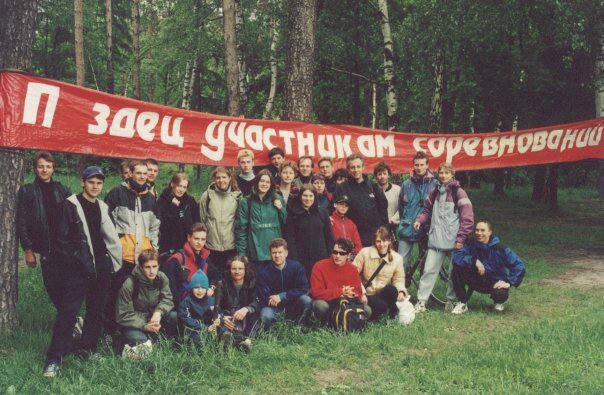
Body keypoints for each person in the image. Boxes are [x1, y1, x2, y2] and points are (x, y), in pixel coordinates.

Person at [42, 166, 122, 378]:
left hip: (101, 268)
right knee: (68, 314)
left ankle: (88, 349)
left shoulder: (103, 206)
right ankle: (54, 358)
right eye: (91, 182)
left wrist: (111, 263)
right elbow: (62, 241)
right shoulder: (69, 205)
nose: (95, 186)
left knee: (96, 312)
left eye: (99, 183)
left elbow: (109, 237)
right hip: (78, 270)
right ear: (82, 182)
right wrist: (79, 263)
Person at [104, 159, 160, 333]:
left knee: (136, 297)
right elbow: (106, 224)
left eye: (145, 173)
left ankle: (131, 332)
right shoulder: (116, 194)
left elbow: (154, 227)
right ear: (131, 173)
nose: (143, 176)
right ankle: (110, 331)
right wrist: (111, 250)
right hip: (121, 257)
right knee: (114, 295)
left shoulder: (151, 198)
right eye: (139, 173)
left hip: (142, 259)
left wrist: (154, 250)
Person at [412, 162, 474, 313]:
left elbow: (468, 218)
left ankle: (450, 301)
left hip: (454, 242)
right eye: (441, 173)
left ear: (452, 174)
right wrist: (420, 220)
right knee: (428, 270)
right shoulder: (435, 191)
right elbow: (426, 209)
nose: (443, 175)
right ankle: (421, 302)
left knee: (454, 273)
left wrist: (460, 239)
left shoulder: (459, 193)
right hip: (435, 240)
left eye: (446, 173)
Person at [17, 151, 71, 310]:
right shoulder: (27, 191)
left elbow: (73, 219)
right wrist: (27, 249)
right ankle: (69, 319)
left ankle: (70, 320)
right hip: (45, 248)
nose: (44, 170)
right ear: (35, 169)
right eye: (41, 166)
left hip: (65, 247)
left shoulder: (62, 190)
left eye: (48, 166)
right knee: (52, 286)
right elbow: (21, 222)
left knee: (68, 286)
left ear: (53, 168)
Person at [450, 220, 526, 314]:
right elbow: (457, 256)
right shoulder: (470, 243)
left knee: (500, 293)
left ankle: (498, 302)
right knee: (457, 269)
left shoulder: (501, 248)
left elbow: (519, 266)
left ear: (490, 232)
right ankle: (462, 303)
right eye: (477, 230)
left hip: (493, 283)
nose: (479, 233)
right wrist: (474, 261)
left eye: (482, 230)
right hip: (475, 279)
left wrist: (509, 282)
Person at [116, 249, 177, 353]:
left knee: (174, 316)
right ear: (141, 267)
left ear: (158, 266)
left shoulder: (161, 278)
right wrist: (145, 326)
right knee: (143, 343)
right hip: (134, 323)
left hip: (154, 319)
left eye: (154, 266)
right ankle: (127, 342)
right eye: (147, 267)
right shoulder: (130, 284)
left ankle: (164, 342)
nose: (152, 271)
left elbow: (167, 299)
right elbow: (123, 315)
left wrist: (158, 312)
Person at [310, 238, 371, 323]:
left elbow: (358, 293)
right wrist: (341, 291)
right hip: (327, 302)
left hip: (345, 303)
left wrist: (350, 294)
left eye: (342, 253)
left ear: (348, 255)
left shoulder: (353, 269)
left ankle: (345, 324)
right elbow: (316, 292)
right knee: (320, 306)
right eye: (335, 252)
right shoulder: (319, 266)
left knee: (367, 310)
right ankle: (325, 324)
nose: (337, 256)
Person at [353, 227, 407, 320]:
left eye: (384, 240)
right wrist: (362, 292)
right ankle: (386, 310)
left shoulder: (397, 258)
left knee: (392, 290)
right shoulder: (365, 252)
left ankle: (388, 310)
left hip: (382, 292)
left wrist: (401, 291)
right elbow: (353, 273)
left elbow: (398, 279)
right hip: (367, 294)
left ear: (389, 241)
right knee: (381, 306)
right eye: (378, 241)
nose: (382, 244)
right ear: (374, 242)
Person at [335, 153, 389, 247]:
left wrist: (383, 230)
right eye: (352, 167)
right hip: (352, 235)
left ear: (363, 167)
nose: (356, 170)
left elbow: (383, 209)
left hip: (373, 235)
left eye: (358, 166)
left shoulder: (373, 186)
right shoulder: (342, 188)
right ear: (348, 169)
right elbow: (336, 211)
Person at [256, 238, 311, 330]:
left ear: (286, 253)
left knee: (306, 299)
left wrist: (282, 296)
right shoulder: (264, 272)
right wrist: (273, 299)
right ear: (270, 254)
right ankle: (274, 333)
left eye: (280, 252)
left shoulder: (296, 267)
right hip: (274, 307)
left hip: (293, 304)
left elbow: (304, 288)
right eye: (274, 253)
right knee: (265, 314)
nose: (277, 255)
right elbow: (263, 295)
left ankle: (302, 326)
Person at [235, 169, 287, 266]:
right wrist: (242, 253)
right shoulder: (246, 201)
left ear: (271, 184)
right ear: (257, 182)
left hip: (275, 252)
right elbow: (241, 229)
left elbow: (286, 222)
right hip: (255, 253)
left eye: (267, 182)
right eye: (262, 181)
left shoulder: (277, 199)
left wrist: (281, 209)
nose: (264, 184)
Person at [162, 223, 219, 307]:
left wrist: (211, 287)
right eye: (196, 239)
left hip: (202, 303)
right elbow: (170, 288)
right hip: (182, 305)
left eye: (203, 239)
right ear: (189, 238)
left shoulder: (205, 257)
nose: (199, 242)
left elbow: (217, 276)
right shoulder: (177, 259)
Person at [397, 151, 437, 268]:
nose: (419, 168)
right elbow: (401, 207)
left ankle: (421, 286)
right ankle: (400, 285)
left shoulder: (435, 184)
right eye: (416, 165)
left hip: (427, 229)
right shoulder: (406, 184)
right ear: (413, 166)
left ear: (427, 165)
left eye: (422, 164)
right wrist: (404, 220)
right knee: (400, 263)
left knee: (425, 264)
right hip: (407, 227)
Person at [283, 185, 334, 276]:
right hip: (301, 258)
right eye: (305, 196)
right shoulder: (293, 214)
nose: (308, 199)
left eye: (311, 196)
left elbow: (329, 237)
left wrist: (329, 256)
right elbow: (290, 239)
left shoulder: (322, 213)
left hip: (321, 257)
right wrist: (295, 259)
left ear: (315, 197)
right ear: (300, 197)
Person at [199, 166, 242, 272]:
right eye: (218, 178)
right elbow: (202, 220)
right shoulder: (207, 196)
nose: (221, 180)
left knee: (228, 276)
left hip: (230, 246)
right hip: (211, 246)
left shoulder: (237, 196)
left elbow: (240, 221)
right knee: (213, 277)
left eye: (224, 177)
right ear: (214, 179)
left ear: (229, 178)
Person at [214, 255, 259, 351]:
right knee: (221, 324)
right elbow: (216, 305)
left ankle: (247, 341)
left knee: (255, 317)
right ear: (229, 270)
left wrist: (246, 309)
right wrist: (222, 318)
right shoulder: (223, 283)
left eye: (240, 269)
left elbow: (257, 301)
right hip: (229, 316)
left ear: (245, 269)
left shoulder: (252, 282)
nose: (237, 272)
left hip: (246, 316)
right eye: (234, 268)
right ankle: (229, 341)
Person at [157, 172, 201, 254]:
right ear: (172, 184)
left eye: (184, 187)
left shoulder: (190, 201)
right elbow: (160, 223)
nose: (181, 190)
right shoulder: (163, 200)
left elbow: (197, 222)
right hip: (167, 245)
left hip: (186, 244)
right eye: (179, 186)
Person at [178, 269, 214, 344]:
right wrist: (205, 328)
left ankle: (226, 340)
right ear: (191, 288)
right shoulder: (186, 302)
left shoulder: (211, 301)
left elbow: (219, 312)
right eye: (196, 287)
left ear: (207, 288)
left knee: (222, 329)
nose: (200, 290)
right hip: (195, 329)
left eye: (203, 287)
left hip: (211, 328)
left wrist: (218, 320)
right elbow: (186, 319)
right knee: (196, 338)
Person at [374, 162, 401, 232]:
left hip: (394, 226)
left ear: (388, 175)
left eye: (384, 173)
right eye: (379, 174)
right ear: (376, 176)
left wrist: (393, 220)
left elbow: (402, 208)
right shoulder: (372, 191)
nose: (382, 176)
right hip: (377, 227)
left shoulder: (397, 189)